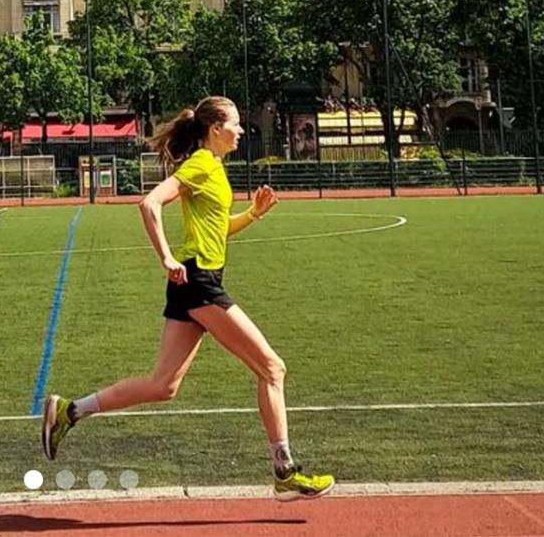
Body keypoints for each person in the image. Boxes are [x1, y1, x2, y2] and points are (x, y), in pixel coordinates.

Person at [41, 96, 335, 502]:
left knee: (163, 385)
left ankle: (69, 411)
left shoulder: (212, 167)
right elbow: (149, 203)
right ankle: (284, 470)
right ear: (215, 129)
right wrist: (165, 256)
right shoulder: (199, 164)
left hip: (194, 281)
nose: (242, 131)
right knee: (272, 368)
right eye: (236, 124)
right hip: (198, 282)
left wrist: (253, 214)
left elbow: (217, 230)